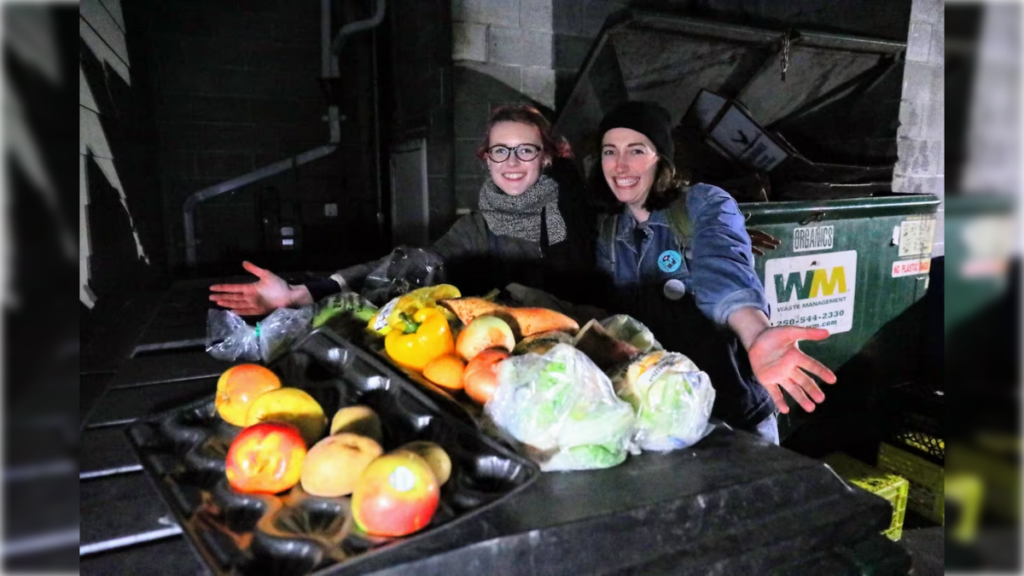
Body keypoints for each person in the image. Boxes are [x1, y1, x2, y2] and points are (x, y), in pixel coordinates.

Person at [591, 101, 836, 444]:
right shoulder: (609, 232)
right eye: (609, 151)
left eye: (636, 150)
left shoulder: (704, 203)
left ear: (660, 158)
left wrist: (755, 332)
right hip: (661, 418)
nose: (619, 165)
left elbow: (721, 269)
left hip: (733, 413)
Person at [209, 104, 594, 315]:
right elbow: (414, 263)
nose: (512, 161)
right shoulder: (479, 228)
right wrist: (308, 292)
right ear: (487, 160)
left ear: (545, 158)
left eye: (526, 150)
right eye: (500, 151)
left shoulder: (581, 213)